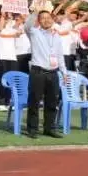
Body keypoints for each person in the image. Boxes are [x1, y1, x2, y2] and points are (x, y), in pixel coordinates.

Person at [23, 9, 65, 139]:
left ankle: (49, 128)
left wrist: (64, 71)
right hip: (38, 72)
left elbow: (59, 55)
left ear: (52, 20)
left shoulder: (56, 35)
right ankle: (32, 129)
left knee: (52, 102)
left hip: (53, 72)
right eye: (43, 18)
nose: (46, 20)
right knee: (34, 101)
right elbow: (27, 25)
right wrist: (35, 12)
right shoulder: (34, 33)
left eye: (49, 18)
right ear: (39, 21)